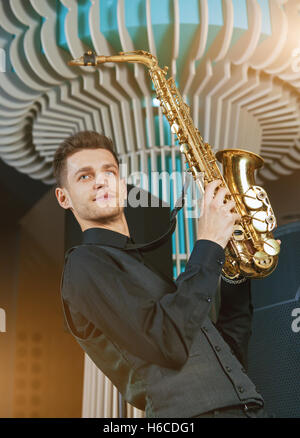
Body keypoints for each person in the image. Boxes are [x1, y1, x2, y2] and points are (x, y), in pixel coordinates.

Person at [54, 130, 271, 418]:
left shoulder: (148, 271)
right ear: (63, 197)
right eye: (85, 176)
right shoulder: (83, 266)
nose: (101, 180)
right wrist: (209, 243)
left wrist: (234, 264)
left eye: (110, 171)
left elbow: (230, 349)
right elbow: (167, 342)